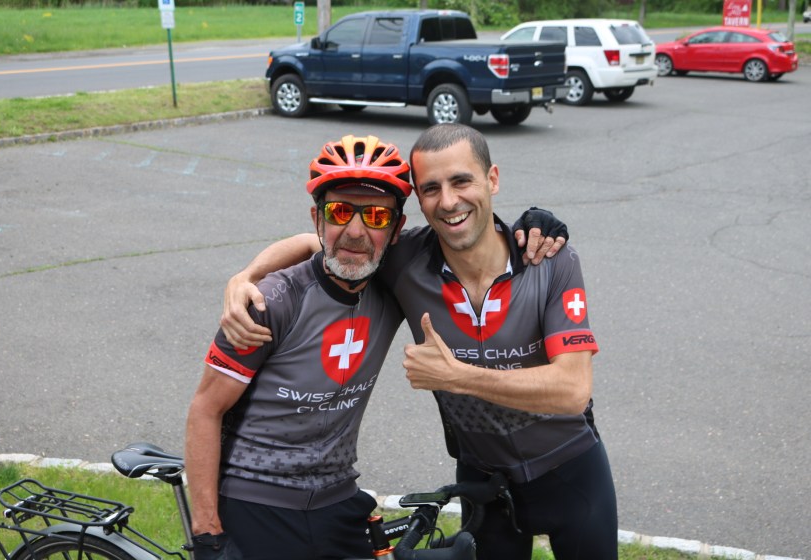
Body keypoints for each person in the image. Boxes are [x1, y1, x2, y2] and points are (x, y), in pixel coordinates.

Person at [221, 124, 617, 560]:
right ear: (419, 199)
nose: (447, 201)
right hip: (484, 480)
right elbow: (315, 242)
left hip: (571, 470)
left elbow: (572, 390)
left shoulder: (548, 259)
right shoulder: (405, 259)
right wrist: (246, 276)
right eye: (431, 188)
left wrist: (456, 376)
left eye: (461, 181)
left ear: (493, 179)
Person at [185, 134, 412, 560]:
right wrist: (208, 533)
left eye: (377, 215)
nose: (356, 231)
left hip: (337, 498)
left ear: (396, 229)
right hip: (257, 500)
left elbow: (471, 244)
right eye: (340, 212)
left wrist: (536, 225)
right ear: (317, 220)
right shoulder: (268, 303)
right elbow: (205, 410)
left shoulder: (395, 285)